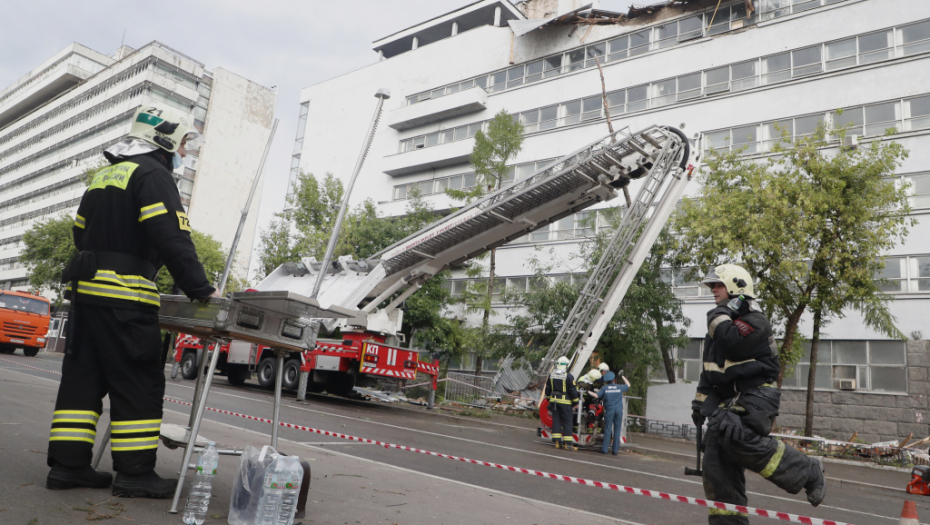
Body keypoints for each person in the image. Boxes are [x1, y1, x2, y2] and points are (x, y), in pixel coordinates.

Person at [46, 105, 219, 498]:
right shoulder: (154, 175)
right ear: (166, 141)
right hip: (125, 298)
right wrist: (201, 289)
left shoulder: (105, 175)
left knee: (82, 380)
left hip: (86, 295)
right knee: (138, 382)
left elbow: (79, 232)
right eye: (184, 144)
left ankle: (68, 468)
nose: (185, 153)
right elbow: (170, 234)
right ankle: (135, 475)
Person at [691, 265, 826, 524]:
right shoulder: (718, 327)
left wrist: (720, 313)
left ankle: (809, 471)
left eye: (717, 286)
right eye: (712, 287)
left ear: (736, 289)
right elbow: (710, 372)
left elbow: (732, 341)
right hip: (727, 400)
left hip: (757, 396)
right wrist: (699, 403)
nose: (713, 291)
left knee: (736, 437)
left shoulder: (754, 322)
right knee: (715, 463)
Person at [590, 371, 629, 455]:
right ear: (614, 380)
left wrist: (588, 392)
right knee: (617, 430)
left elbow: (596, 395)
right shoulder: (619, 387)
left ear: (606, 381)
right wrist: (622, 376)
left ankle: (604, 449)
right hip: (619, 410)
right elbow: (628, 385)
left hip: (609, 410)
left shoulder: (605, 388)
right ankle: (615, 451)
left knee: (608, 429)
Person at [545, 356, 579, 451]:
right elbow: (573, 391)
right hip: (566, 402)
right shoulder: (568, 376)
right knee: (567, 421)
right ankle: (567, 444)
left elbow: (547, 389)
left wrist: (549, 399)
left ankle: (557, 442)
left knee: (556, 420)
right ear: (567, 365)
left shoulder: (551, 375)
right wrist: (575, 402)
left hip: (554, 401)